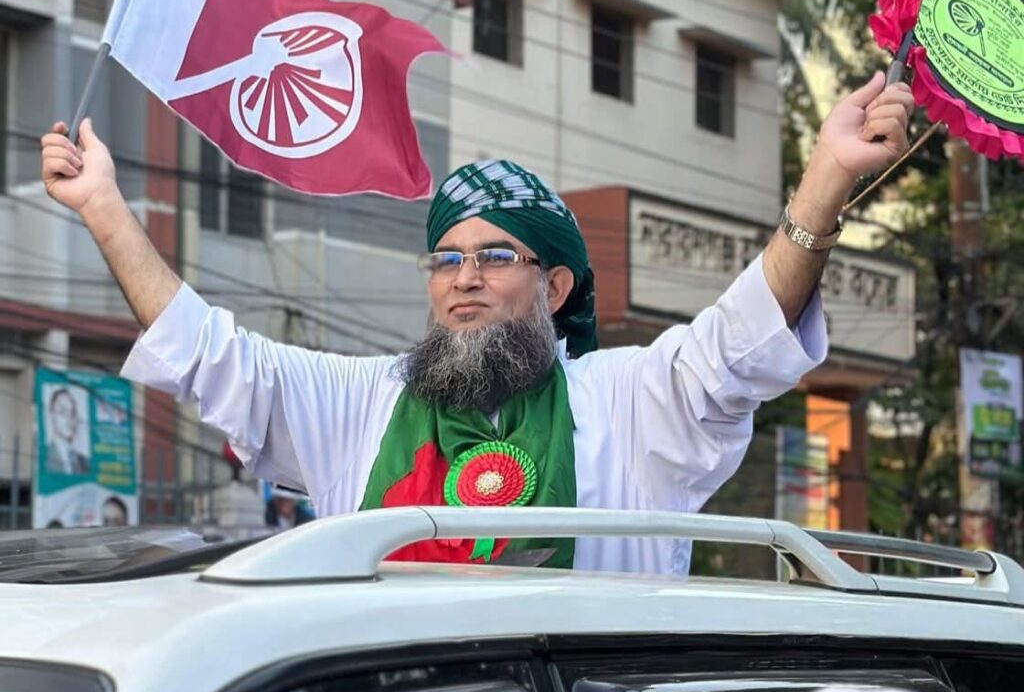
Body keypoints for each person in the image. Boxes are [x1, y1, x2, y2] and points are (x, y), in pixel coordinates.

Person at [40, 73, 914, 574]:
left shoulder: (628, 401)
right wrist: (105, 209)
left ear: (556, 283)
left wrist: (826, 182)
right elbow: (209, 356)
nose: (464, 279)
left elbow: (740, 343)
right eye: (446, 258)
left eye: (498, 257)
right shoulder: (365, 402)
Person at [43, 387, 90, 475]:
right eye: (62, 412)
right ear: (51, 415)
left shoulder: (84, 462)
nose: (69, 419)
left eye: (72, 412)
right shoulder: (43, 456)